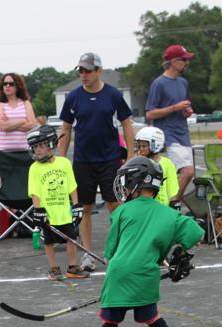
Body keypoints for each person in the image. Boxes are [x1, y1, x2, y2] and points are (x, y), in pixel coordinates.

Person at [83, 157, 204, 327]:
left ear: (135, 184)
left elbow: (110, 252)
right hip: (147, 274)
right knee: (152, 318)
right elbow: (197, 234)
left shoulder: (122, 211)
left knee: (110, 322)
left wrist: (111, 260)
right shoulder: (169, 214)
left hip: (119, 274)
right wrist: (181, 253)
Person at [58, 53, 135, 272]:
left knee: (115, 205)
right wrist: (61, 159)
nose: (83, 75)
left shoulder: (113, 95)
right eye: (80, 71)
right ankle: (88, 254)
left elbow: (127, 124)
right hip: (83, 161)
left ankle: (119, 251)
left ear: (99, 71)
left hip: (110, 159)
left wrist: (130, 155)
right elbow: (66, 128)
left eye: (88, 71)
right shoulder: (73, 97)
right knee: (84, 207)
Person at [25, 125, 87, 281]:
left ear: (51, 144)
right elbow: (34, 191)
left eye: (41, 145)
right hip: (48, 214)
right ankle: (54, 269)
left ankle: (72, 267)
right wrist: (38, 210)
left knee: (71, 239)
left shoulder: (64, 163)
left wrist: (76, 206)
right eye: (35, 147)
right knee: (48, 242)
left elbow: (72, 186)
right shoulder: (34, 168)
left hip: (64, 212)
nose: (37, 150)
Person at [145, 44, 196, 202]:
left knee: (178, 175)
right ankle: (172, 204)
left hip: (183, 134)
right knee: (188, 172)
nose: (187, 63)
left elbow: (184, 106)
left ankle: (170, 202)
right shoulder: (158, 84)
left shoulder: (183, 83)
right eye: (184, 60)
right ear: (174, 62)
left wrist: (187, 111)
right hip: (168, 135)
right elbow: (150, 113)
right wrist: (175, 108)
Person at [133, 126, 180, 208]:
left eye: (144, 146)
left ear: (155, 145)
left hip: (162, 208)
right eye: (139, 146)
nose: (141, 149)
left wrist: (174, 206)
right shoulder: (138, 163)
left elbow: (173, 190)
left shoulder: (167, 164)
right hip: (143, 207)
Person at [0, 73, 38, 154]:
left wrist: (9, 123)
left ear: (18, 86)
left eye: (11, 84)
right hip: (3, 151)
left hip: (25, 150)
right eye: (5, 84)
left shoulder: (26, 103)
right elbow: (3, 126)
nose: (7, 86)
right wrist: (23, 120)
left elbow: (32, 124)